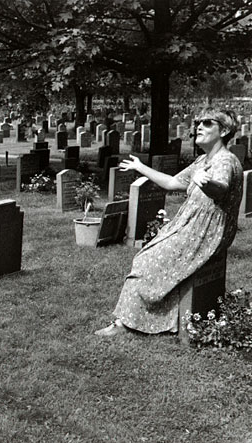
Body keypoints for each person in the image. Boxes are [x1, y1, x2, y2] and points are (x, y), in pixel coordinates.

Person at [95, 108, 243, 337]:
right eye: (198, 122)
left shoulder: (225, 161)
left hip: (207, 230)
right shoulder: (204, 160)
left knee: (146, 261)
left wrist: (206, 183)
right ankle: (148, 317)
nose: (199, 127)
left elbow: (221, 188)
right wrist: (140, 167)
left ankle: (125, 323)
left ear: (223, 131)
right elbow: (173, 182)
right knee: (149, 254)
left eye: (207, 123)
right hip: (191, 225)